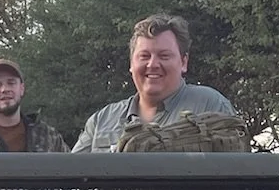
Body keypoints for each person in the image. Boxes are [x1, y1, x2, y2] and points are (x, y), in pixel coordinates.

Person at [72, 13, 237, 152]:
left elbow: (235, 180)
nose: (153, 64)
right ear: (131, 63)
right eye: (144, 56)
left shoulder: (211, 106)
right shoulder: (102, 120)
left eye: (164, 56)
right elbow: (70, 181)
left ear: (183, 62)